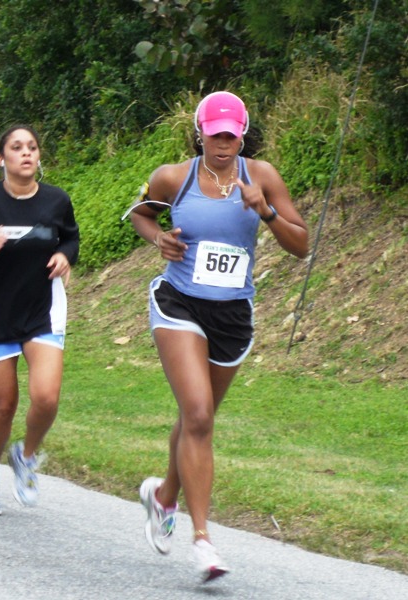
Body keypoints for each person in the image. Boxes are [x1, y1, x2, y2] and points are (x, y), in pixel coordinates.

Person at [128, 91, 308, 582]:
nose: (223, 144)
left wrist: (266, 211)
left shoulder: (262, 176)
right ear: (200, 134)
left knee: (197, 417)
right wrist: (159, 238)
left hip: (232, 315)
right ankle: (203, 541)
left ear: (242, 136)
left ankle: (163, 496)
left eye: (230, 136)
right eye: (214, 135)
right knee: (199, 414)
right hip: (179, 302)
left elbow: (301, 245)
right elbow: (141, 214)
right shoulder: (175, 177)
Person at [0, 125, 79, 516]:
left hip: (43, 311)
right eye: (17, 147)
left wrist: (65, 256)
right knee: (3, 406)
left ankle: (26, 456)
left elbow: (70, 238)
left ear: (39, 156)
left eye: (32, 147)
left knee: (47, 397)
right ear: (1, 158)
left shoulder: (57, 200)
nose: (26, 153)